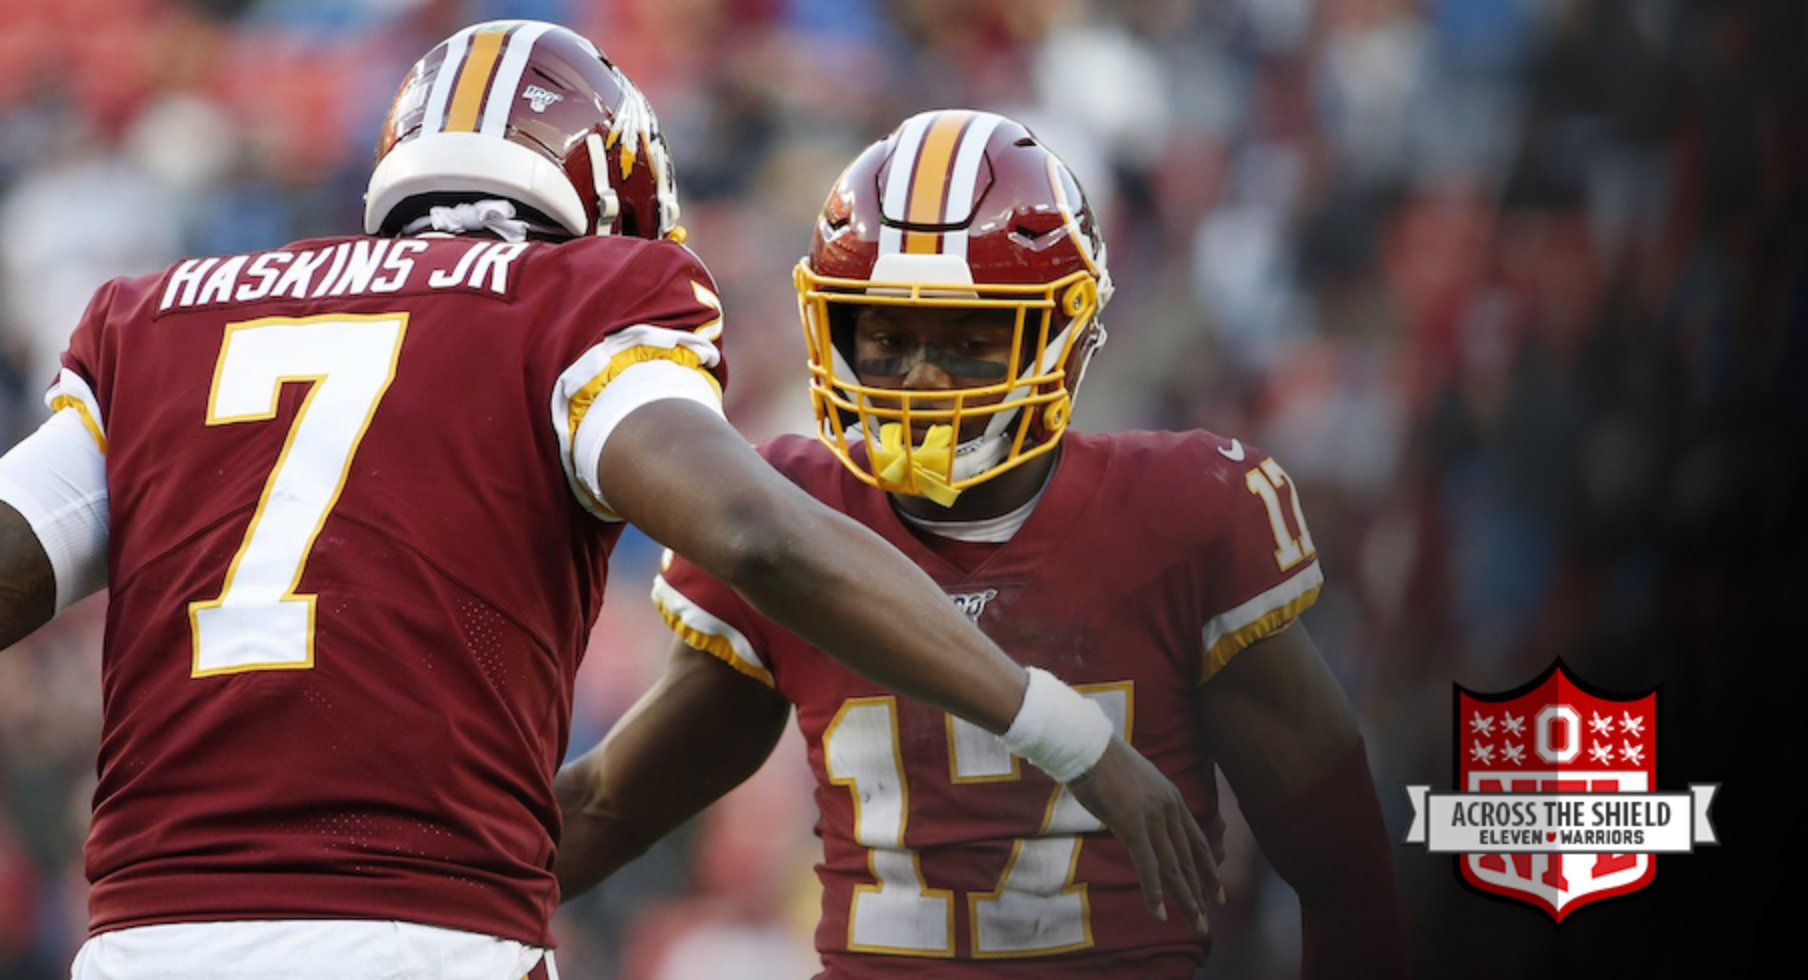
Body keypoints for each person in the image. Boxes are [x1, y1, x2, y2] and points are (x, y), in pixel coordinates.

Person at [0, 28, 1217, 980]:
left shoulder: (157, 313)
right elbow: (754, 533)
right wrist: (1067, 732)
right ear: (603, 199)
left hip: (139, 936)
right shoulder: (572, 297)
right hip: (425, 937)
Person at [553, 109, 1410, 978]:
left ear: (1064, 339)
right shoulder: (789, 515)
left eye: (968, 340)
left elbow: (1342, 863)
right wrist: (428, 901)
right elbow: (608, 809)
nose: (922, 376)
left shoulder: (1176, 517)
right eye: (887, 337)